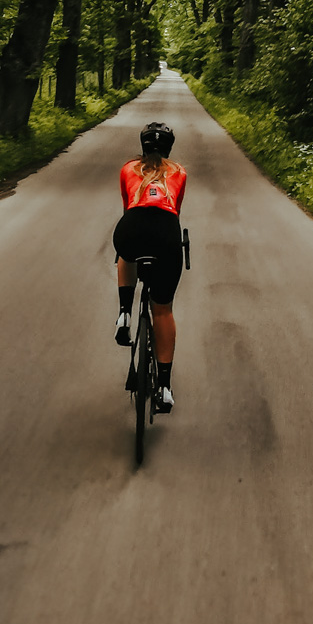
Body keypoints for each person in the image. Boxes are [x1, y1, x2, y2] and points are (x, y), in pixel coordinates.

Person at [112, 121, 187, 413]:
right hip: (166, 232)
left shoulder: (128, 168)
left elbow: (127, 206)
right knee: (163, 309)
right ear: (169, 147)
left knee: (125, 253)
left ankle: (124, 314)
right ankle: (165, 388)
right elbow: (176, 213)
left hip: (131, 228)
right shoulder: (179, 171)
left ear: (142, 145)